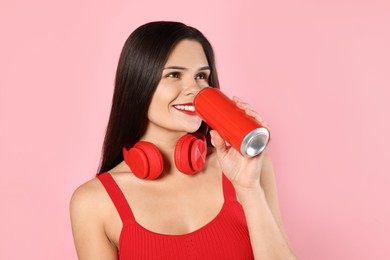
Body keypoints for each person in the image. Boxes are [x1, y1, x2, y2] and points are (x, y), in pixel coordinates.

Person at [70, 21, 297, 260]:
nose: (195, 89)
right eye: (174, 75)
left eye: (201, 76)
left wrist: (249, 189)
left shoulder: (248, 169)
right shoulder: (93, 202)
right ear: (139, 83)